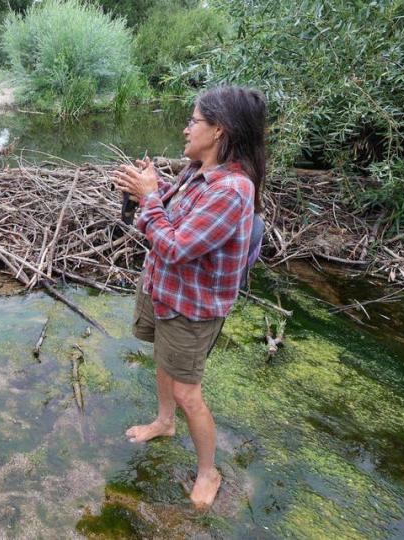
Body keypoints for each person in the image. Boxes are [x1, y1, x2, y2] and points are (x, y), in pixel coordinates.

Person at [111, 86, 266, 508]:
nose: (186, 128)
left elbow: (177, 245)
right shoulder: (196, 170)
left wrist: (147, 199)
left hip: (192, 307)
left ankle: (208, 471)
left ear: (219, 130)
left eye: (194, 121)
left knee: (188, 393)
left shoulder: (232, 190)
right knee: (163, 358)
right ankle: (164, 423)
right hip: (163, 289)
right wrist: (150, 187)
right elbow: (172, 214)